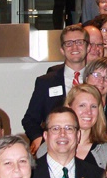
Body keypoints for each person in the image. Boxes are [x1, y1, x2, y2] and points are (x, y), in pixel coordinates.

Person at [22, 24, 88, 154]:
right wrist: (39, 139)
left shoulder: (97, 80)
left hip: (88, 148)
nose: (74, 47)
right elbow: (30, 120)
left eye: (79, 42)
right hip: (54, 149)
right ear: (62, 50)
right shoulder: (45, 82)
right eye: (69, 43)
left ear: (88, 47)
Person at [65, 83, 107, 167]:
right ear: (69, 108)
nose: (88, 112)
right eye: (82, 105)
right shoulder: (51, 145)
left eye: (93, 106)